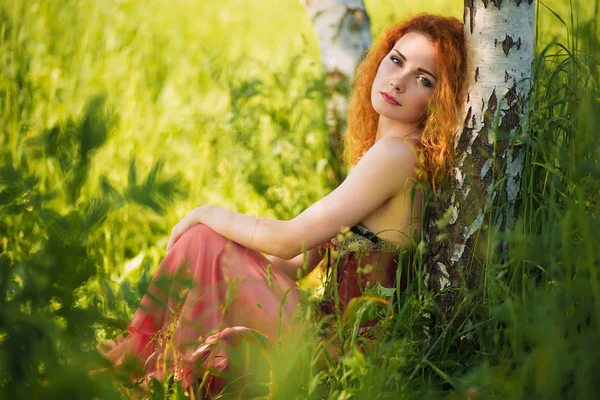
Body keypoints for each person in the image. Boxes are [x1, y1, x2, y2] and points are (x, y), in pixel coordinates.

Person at [97, 13, 467, 399]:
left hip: (346, 358)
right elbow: (300, 261)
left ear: (438, 101)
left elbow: (291, 240)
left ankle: (137, 360)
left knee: (203, 240)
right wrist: (231, 281)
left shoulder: (396, 155)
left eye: (423, 79)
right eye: (396, 59)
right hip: (331, 336)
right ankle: (143, 359)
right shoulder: (388, 153)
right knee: (212, 255)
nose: (398, 80)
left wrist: (206, 215)